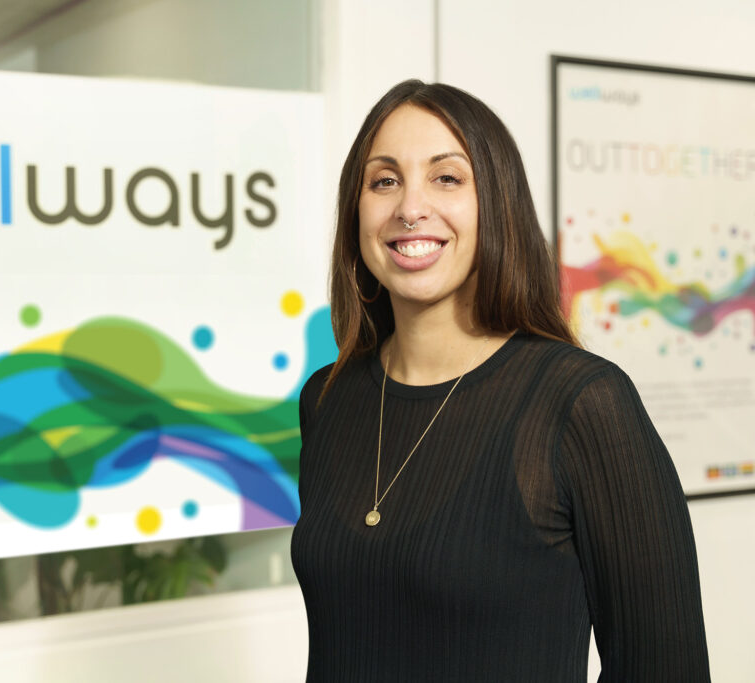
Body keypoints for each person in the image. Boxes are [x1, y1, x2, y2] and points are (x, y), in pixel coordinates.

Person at [289, 79, 711, 682]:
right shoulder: (327, 399)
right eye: (384, 180)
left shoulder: (580, 402)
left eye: (447, 178)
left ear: (497, 204)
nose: (410, 207)